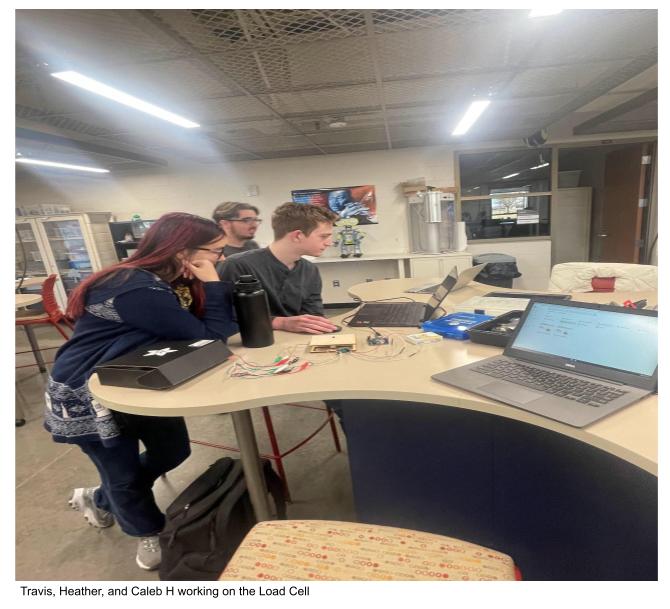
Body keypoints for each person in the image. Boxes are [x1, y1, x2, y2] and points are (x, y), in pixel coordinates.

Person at [44, 213, 237, 571]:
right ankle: (148, 531)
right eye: (216, 252)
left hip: (138, 377)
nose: (221, 260)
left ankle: (100, 498)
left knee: (174, 450)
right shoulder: (134, 286)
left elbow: (209, 329)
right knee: (123, 473)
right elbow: (210, 336)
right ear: (183, 251)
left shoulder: (165, 280)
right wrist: (213, 283)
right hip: (89, 389)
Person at [218, 202, 339, 334]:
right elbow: (223, 313)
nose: (329, 243)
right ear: (297, 235)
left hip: (294, 343)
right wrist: (281, 322)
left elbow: (314, 314)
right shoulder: (237, 265)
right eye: (323, 236)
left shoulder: (310, 270)